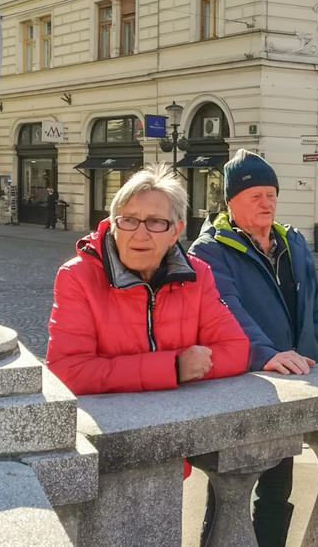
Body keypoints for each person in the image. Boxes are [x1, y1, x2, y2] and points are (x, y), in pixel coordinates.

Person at [45, 164, 250, 476]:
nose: (139, 234)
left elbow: (236, 349)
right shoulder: (78, 276)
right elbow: (68, 371)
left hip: (169, 448)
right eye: (128, 220)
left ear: (176, 231)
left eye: (155, 222)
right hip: (103, 454)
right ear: (113, 224)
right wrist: (173, 368)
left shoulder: (196, 274)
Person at [189, 149, 318, 547]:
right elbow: (225, 310)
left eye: (271, 194)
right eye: (255, 196)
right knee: (226, 495)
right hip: (240, 386)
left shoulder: (293, 241)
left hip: (291, 385)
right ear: (231, 202)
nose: (266, 203)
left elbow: (315, 306)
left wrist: (314, 347)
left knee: (276, 492)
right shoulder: (210, 250)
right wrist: (265, 354)